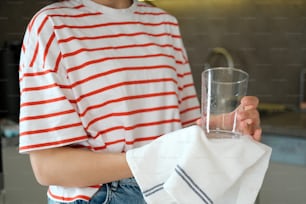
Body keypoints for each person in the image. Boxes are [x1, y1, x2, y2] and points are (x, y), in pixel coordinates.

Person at [18, 0, 261, 203]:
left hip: (168, 190)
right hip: (100, 196)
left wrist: (224, 126)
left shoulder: (163, 23)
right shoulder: (52, 25)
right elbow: (47, 167)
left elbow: (183, 136)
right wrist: (150, 161)